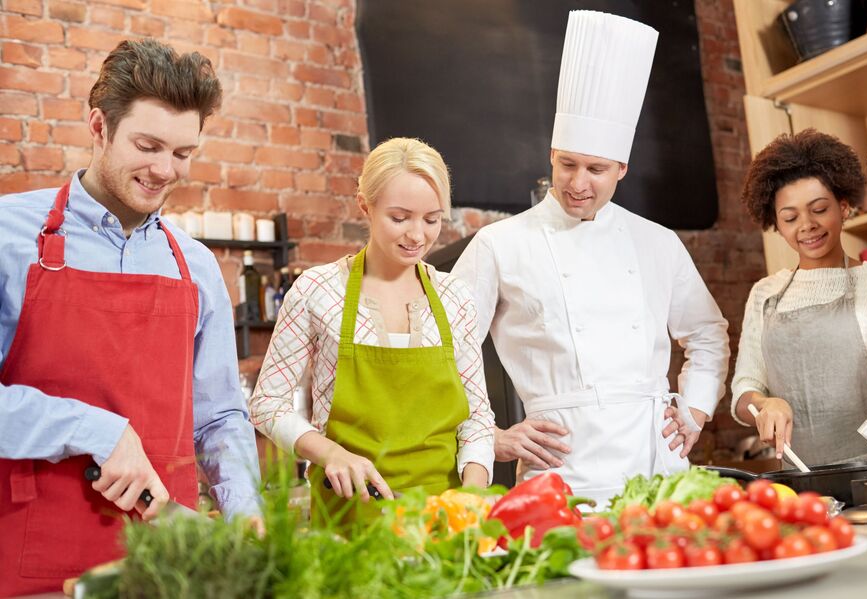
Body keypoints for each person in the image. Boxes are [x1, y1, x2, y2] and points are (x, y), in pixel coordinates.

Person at [0, 39, 261, 597]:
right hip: (32, 559)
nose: (165, 170)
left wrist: (247, 514)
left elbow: (219, 417)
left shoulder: (195, 266)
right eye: (147, 145)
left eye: (184, 153)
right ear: (99, 126)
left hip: (170, 562)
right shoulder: (8, 237)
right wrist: (94, 429)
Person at [452, 11, 730, 507]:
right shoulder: (500, 243)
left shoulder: (657, 242)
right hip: (561, 468)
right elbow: (447, 349)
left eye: (596, 169)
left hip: (656, 465)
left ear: (622, 168)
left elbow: (707, 333)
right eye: (567, 164)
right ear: (551, 156)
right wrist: (489, 436)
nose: (578, 183)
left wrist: (697, 409)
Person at [248, 137, 495, 520]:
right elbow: (267, 403)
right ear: (366, 205)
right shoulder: (318, 291)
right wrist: (329, 453)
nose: (417, 235)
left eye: (432, 220)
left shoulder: (455, 298)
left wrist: (472, 496)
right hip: (348, 515)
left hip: (443, 519)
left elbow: (476, 419)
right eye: (400, 218)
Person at [731, 129, 867, 469]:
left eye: (819, 209)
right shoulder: (766, 295)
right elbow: (744, 389)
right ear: (776, 224)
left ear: (844, 208)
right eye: (790, 218)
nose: (807, 226)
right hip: (802, 483)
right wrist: (763, 403)